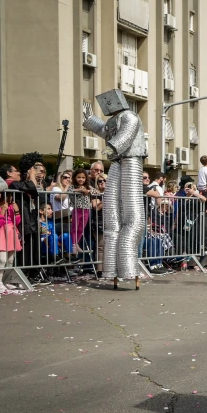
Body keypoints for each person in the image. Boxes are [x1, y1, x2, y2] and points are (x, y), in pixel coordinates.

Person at [83, 89, 148, 289]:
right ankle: (110, 270)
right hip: (118, 161)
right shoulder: (114, 120)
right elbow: (107, 131)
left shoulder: (129, 116)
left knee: (131, 214)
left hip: (130, 160)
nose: (107, 104)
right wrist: (90, 120)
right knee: (111, 216)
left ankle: (128, 270)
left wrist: (113, 147)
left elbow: (126, 134)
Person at [0, 192, 23, 293]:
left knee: (10, 259)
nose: (10, 198)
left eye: (11, 196)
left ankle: (8, 280)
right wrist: (2, 211)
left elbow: (17, 221)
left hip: (11, 232)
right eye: (9, 196)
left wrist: (17, 211)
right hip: (2, 233)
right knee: (2, 259)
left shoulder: (11, 207)